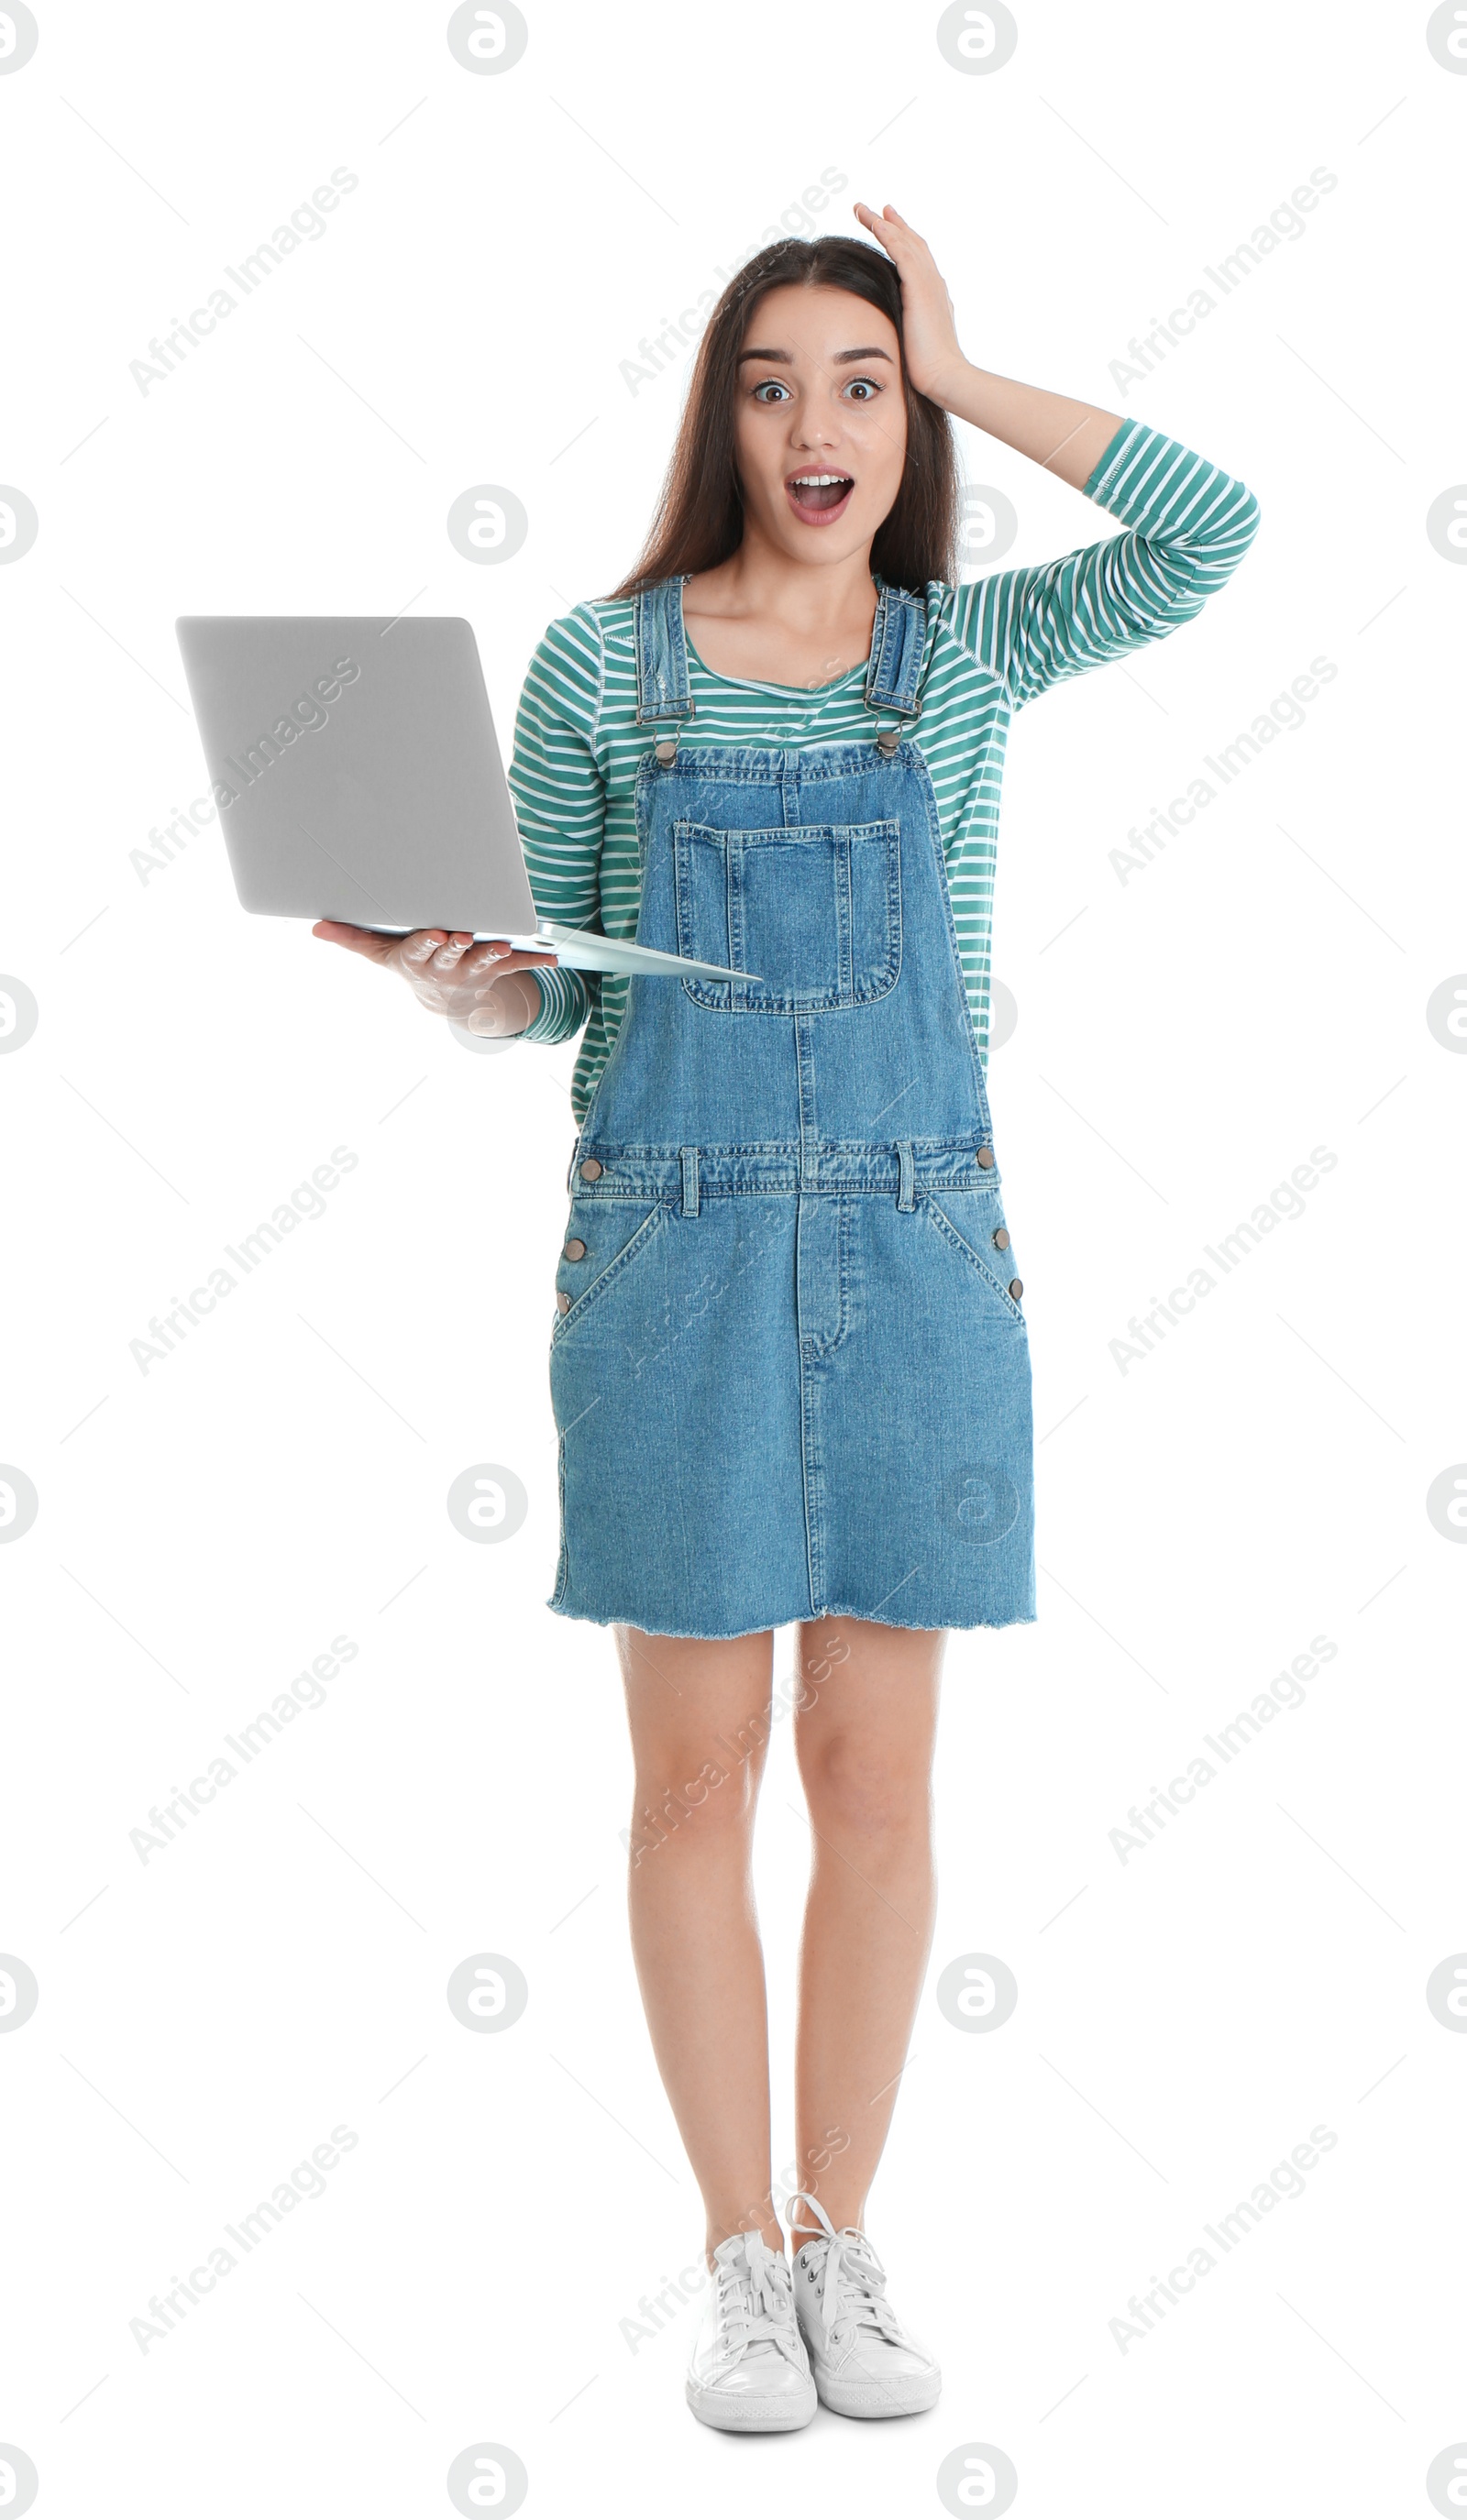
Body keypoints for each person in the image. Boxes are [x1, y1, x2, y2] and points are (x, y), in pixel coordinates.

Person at [316, 202, 1260, 2434]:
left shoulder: (969, 654)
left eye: (857, 380)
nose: (815, 423)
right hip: (672, 1249)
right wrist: (472, 989)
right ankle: (732, 2258)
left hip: (921, 1251)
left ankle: (844, 2239)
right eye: (773, 383)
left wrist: (970, 357)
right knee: (690, 1785)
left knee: (875, 1780)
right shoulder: (591, 665)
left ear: (899, 407)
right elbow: (546, 981)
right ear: (717, 416)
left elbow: (1208, 530)